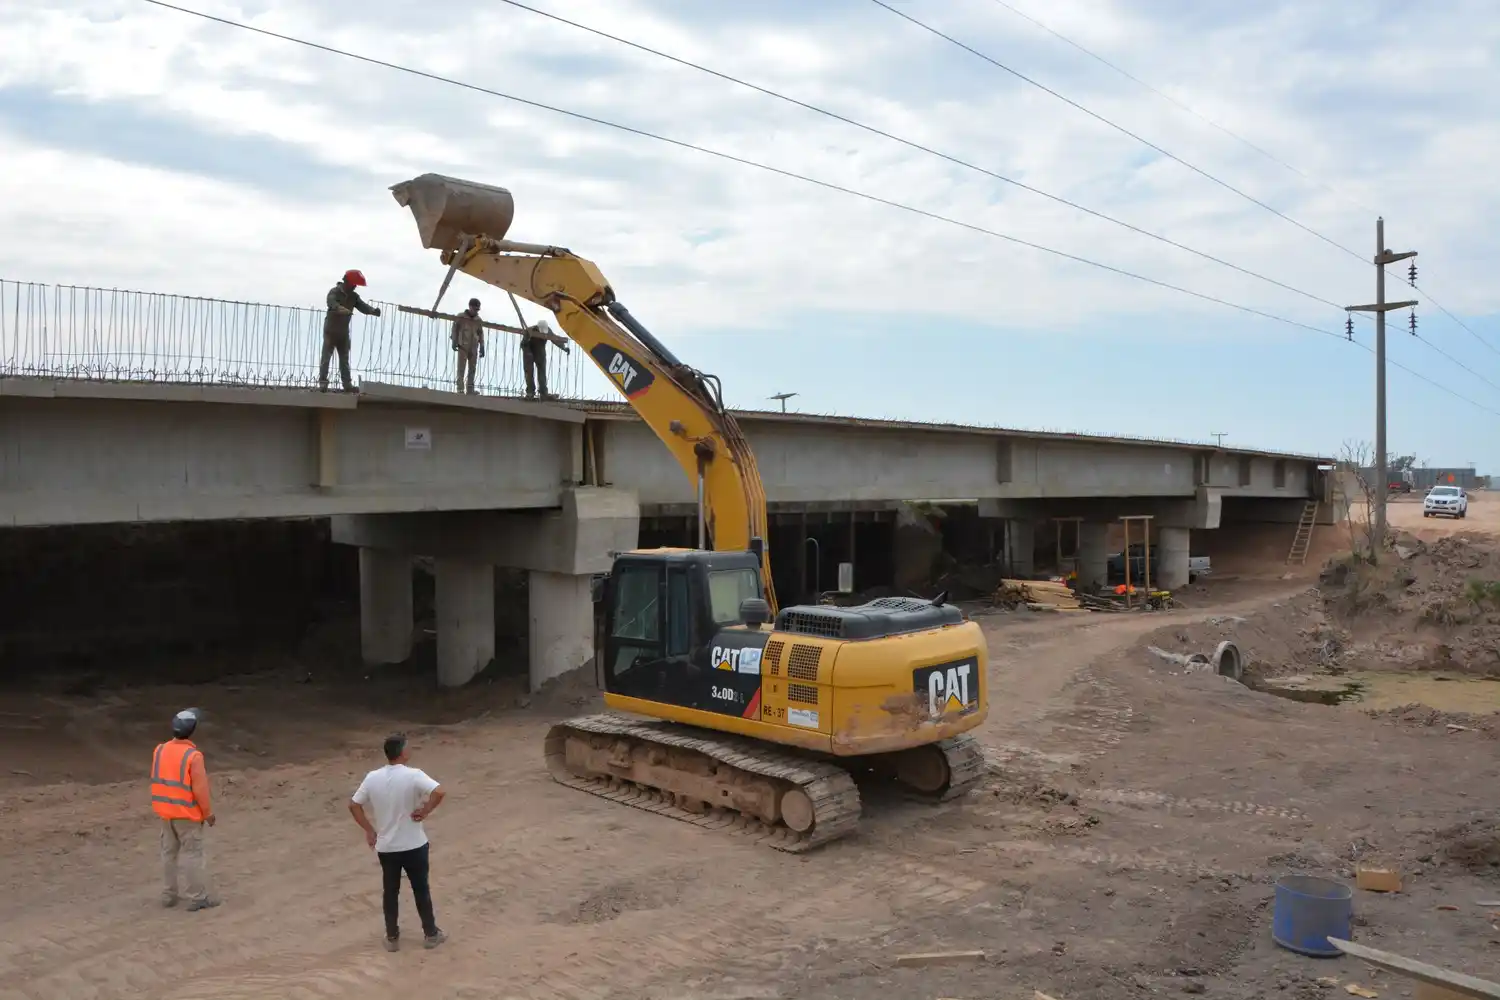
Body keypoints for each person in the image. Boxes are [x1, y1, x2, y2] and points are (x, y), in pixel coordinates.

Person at [349, 733, 448, 952]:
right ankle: (431, 934)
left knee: (390, 891)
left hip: (387, 847)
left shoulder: (372, 777)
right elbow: (439, 791)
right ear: (403, 752)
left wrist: (369, 830)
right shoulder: (413, 775)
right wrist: (425, 811)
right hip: (414, 844)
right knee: (421, 889)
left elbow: (354, 804)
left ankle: (392, 937)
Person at [150, 708, 219, 911]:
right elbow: (200, 789)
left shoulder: (159, 750)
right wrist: (208, 814)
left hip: (165, 812)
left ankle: (169, 895)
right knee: (192, 855)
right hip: (187, 815)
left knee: (168, 854)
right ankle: (197, 897)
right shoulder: (193, 756)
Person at [321, 269, 381, 392]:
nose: (354, 287)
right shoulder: (334, 292)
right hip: (331, 331)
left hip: (343, 332)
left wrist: (373, 311)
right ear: (346, 282)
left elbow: (362, 306)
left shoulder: (353, 296)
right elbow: (331, 302)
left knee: (344, 359)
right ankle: (323, 383)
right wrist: (339, 308)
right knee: (326, 357)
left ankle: (347, 385)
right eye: (353, 284)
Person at [451, 298, 485, 395]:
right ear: (470, 307)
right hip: (463, 345)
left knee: (472, 369)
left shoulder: (478, 320)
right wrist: (454, 341)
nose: (476, 311)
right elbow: (454, 329)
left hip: (474, 346)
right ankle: (460, 389)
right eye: (475, 309)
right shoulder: (461, 316)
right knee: (461, 368)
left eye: (477, 310)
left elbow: (480, 333)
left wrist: (482, 345)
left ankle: (470, 389)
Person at [521, 319, 555, 400]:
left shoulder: (548, 330)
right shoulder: (530, 330)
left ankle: (543, 393)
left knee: (542, 372)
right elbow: (523, 344)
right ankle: (530, 392)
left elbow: (554, 339)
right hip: (529, 351)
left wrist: (564, 348)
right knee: (529, 372)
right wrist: (528, 352)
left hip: (540, 352)